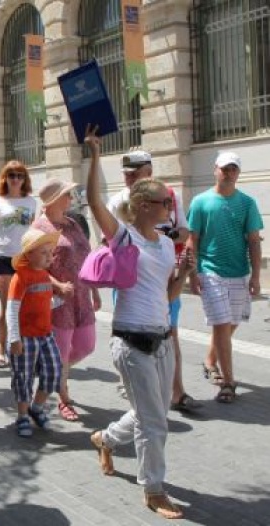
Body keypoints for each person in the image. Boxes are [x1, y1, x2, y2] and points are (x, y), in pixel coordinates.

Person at [85, 126, 195, 519]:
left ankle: (105, 439)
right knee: (154, 422)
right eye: (165, 202)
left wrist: (183, 274)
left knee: (153, 414)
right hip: (131, 343)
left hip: (162, 339)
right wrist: (94, 155)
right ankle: (153, 489)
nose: (170, 207)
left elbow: (168, 296)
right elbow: (94, 202)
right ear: (145, 205)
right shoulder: (124, 237)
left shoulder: (165, 244)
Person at [108, 151, 196, 409]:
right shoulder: (117, 200)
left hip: (165, 277)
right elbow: (108, 241)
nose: (129, 178)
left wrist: (161, 236)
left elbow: (184, 233)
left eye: (134, 173)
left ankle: (177, 392)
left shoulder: (167, 196)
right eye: (126, 174)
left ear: (149, 171)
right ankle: (130, 383)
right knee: (132, 335)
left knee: (170, 333)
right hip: (132, 281)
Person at [187, 151, 263, 403]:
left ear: (238, 173)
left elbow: (254, 241)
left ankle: (210, 360)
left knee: (231, 322)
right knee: (221, 323)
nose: (229, 173)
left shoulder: (247, 203)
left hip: (239, 272)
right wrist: (192, 274)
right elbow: (192, 240)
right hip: (210, 271)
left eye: (233, 169)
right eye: (224, 168)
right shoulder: (200, 202)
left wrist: (255, 276)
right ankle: (228, 382)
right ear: (215, 170)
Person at [33, 178, 99, 421]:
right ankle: (64, 397)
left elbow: (86, 256)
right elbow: (34, 267)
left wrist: (94, 290)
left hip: (81, 294)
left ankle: (53, 370)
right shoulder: (39, 228)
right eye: (66, 194)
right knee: (61, 351)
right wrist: (58, 285)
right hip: (57, 299)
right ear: (53, 200)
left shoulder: (72, 223)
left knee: (86, 345)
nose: (71, 198)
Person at [0, 161, 37, 368]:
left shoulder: (31, 202)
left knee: (24, 305)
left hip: (24, 259)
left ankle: (22, 345)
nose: (16, 179)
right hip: (1, 256)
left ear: (24, 179)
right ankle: (1, 346)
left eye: (20, 175)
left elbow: (32, 232)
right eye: (11, 175)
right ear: (5, 178)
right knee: (9, 305)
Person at [6, 229, 64, 437]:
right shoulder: (20, 277)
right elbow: (12, 309)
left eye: (51, 252)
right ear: (29, 254)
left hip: (46, 335)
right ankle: (22, 416)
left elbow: (43, 302)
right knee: (23, 377)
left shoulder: (45, 276)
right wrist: (14, 338)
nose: (49, 257)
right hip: (25, 337)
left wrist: (60, 301)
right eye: (43, 253)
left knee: (54, 371)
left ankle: (36, 408)